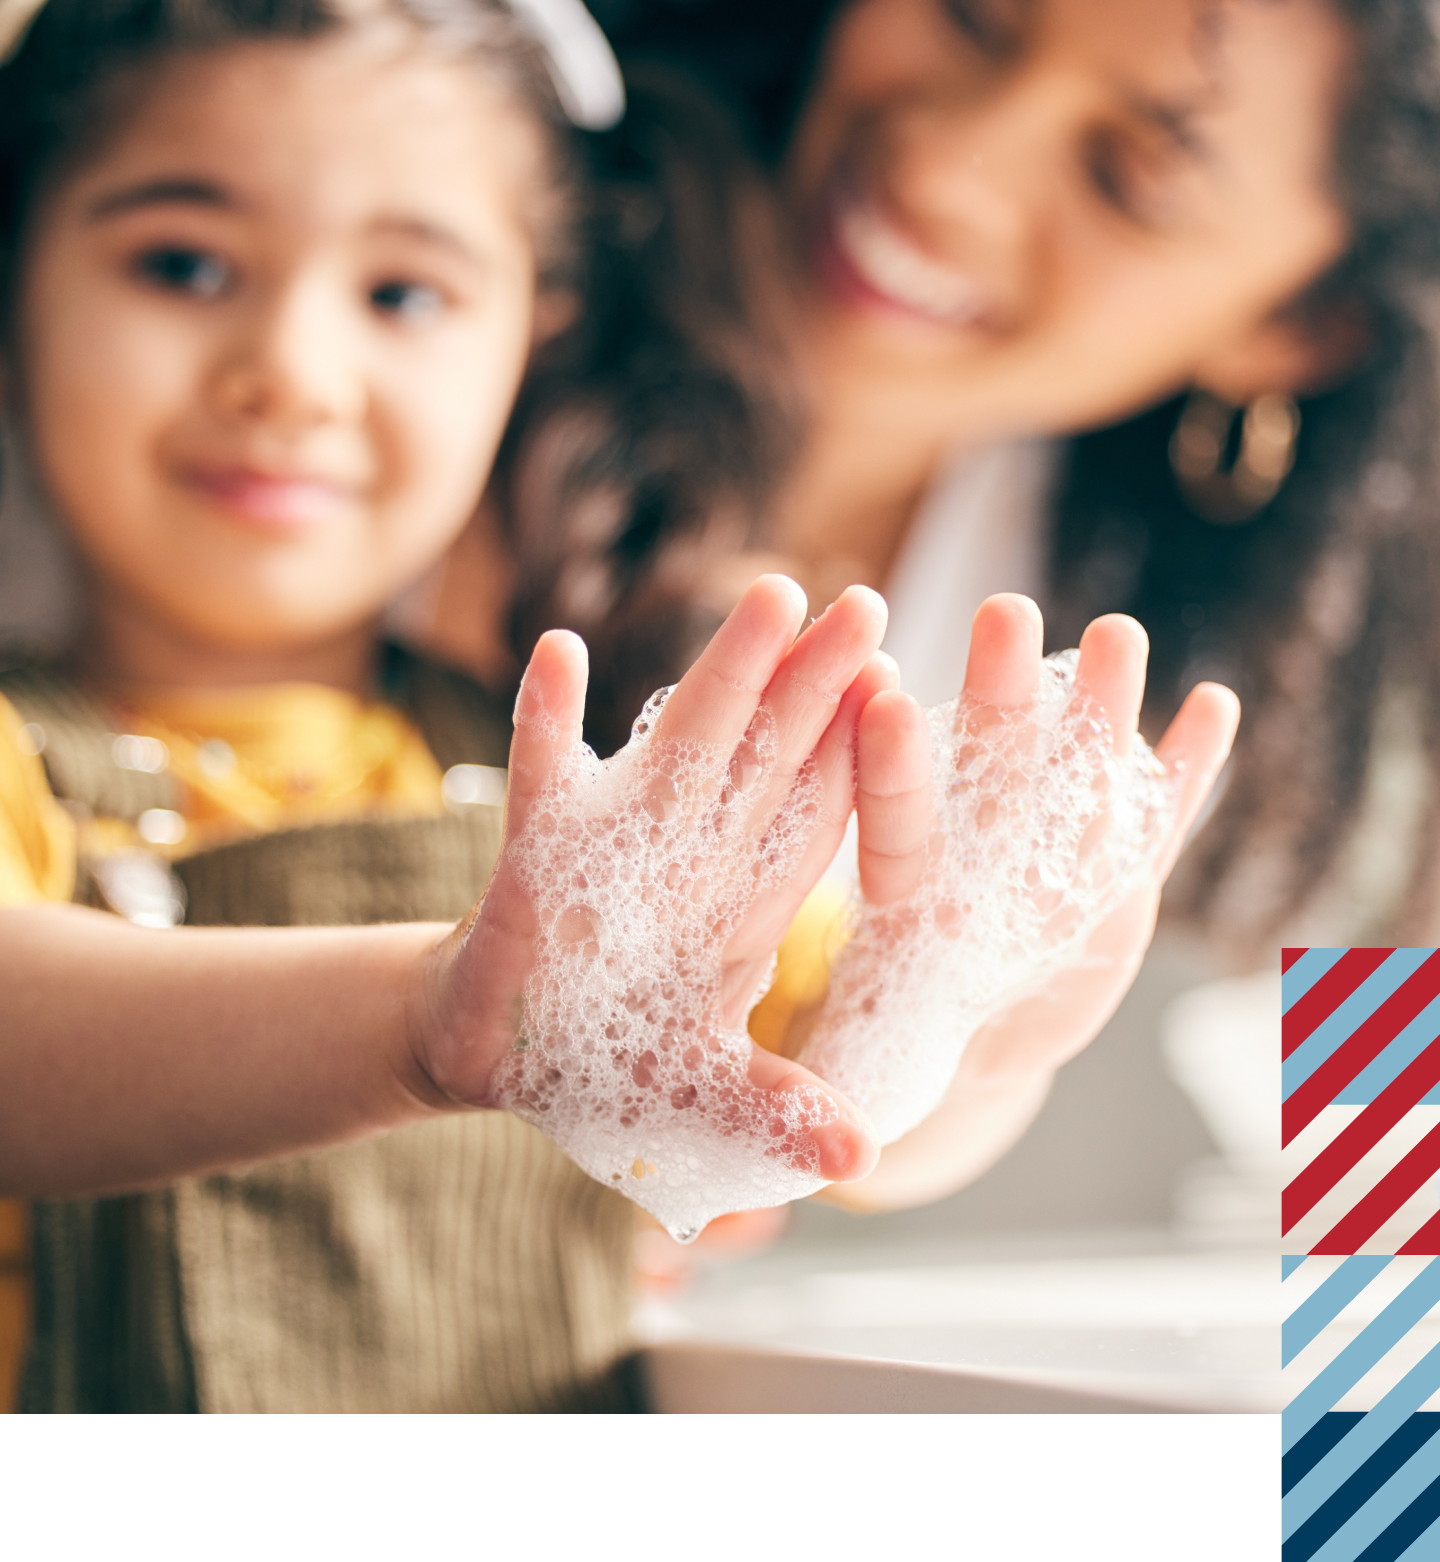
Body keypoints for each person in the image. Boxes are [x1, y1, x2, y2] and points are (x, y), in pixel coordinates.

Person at [0, 0, 1235, 1410]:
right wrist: (425, 1021)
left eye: (403, 294)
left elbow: (836, 1118)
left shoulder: (593, 818)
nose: (289, 369)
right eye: (182, 263)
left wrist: (970, 1039)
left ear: (535, 332)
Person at [415, 0, 1440, 1217]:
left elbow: (1387, 1256)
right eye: (973, 15)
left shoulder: (1075, 637)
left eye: (1128, 175)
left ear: (1297, 328)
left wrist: (951, 1064)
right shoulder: (418, 290)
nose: (949, 167)